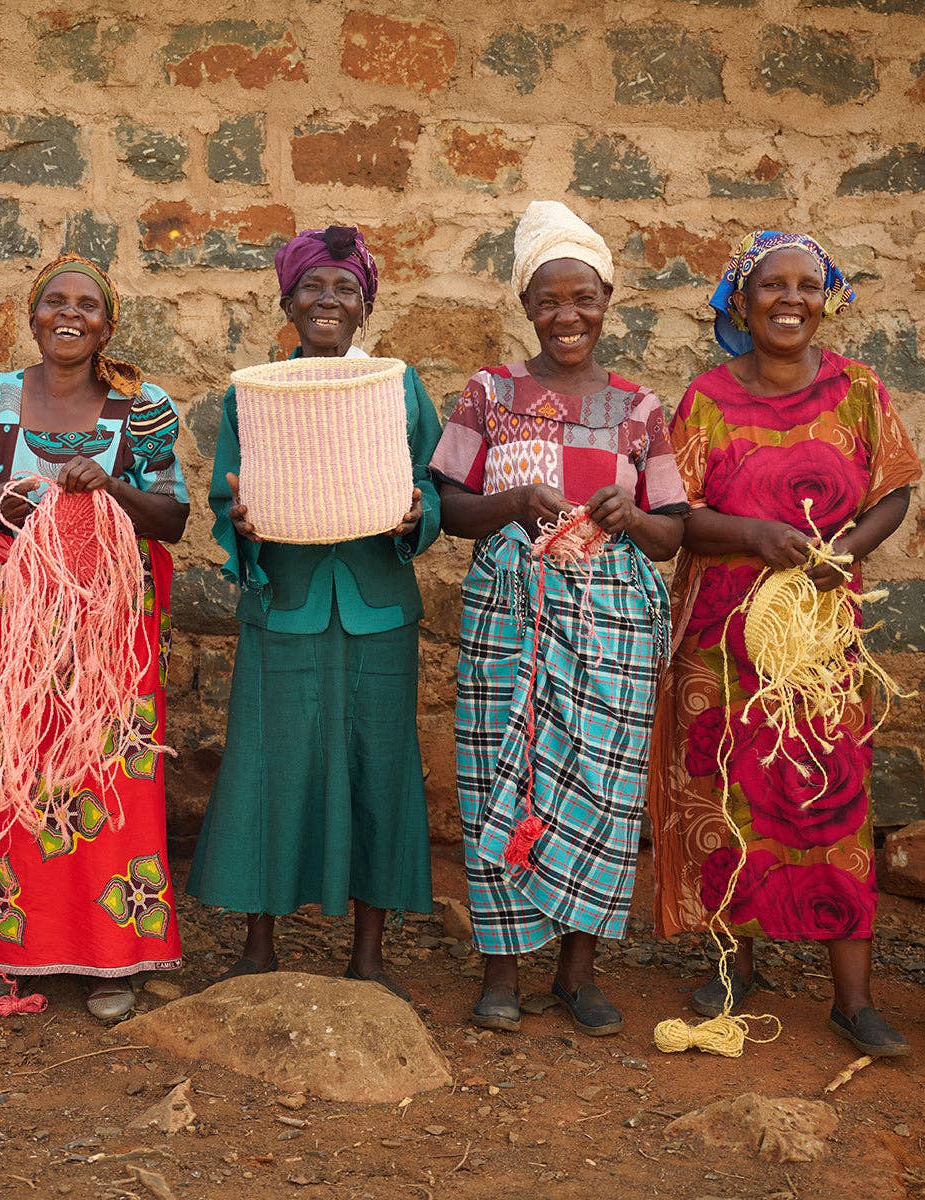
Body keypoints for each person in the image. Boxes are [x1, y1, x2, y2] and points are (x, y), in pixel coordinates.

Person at [648, 230, 920, 1057]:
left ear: (826, 297)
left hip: (817, 641)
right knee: (730, 791)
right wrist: (755, 534)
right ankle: (737, 967)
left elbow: (894, 488)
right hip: (723, 637)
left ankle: (854, 998)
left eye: (808, 284)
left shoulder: (858, 391)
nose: (790, 299)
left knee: (834, 796)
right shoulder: (704, 399)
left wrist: (848, 551)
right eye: (772, 285)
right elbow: (677, 514)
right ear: (741, 300)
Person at [430, 200, 688, 1034]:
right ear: (526, 306)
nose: (566, 315)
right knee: (500, 776)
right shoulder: (490, 394)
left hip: (613, 611)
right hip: (510, 610)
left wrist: (629, 515)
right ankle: (500, 974)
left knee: (603, 787)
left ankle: (578, 974)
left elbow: (672, 532)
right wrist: (514, 500)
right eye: (548, 299)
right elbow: (450, 508)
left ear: (607, 300)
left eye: (583, 298)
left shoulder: (642, 407)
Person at [188, 226, 441, 1000]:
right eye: (313, 289)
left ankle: (368, 955)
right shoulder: (256, 391)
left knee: (381, 768)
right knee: (271, 764)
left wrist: (413, 518)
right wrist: (246, 526)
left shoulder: (397, 389)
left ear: (366, 306)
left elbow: (433, 485)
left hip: (377, 610)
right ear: (286, 302)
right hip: (287, 606)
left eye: (345, 290)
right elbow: (229, 492)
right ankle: (259, 945)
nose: (328, 302)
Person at [0, 253, 189, 1020]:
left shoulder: (143, 409)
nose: (70, 314)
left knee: (113, 764)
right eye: (54, 302)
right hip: (19, 611)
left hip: (112, 616)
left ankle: (113, 960)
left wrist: (114, 489)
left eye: (88, 305)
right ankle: (15, 951)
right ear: (32, 317)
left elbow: (174, 518)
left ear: (107, 324)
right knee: (23, 758)